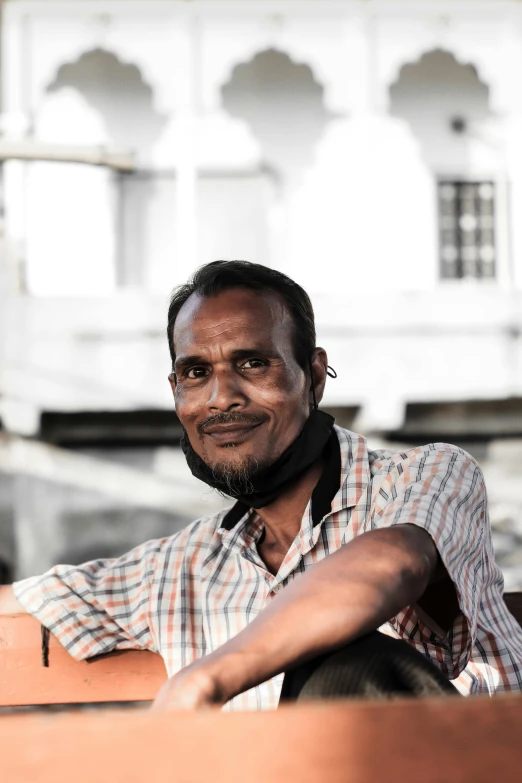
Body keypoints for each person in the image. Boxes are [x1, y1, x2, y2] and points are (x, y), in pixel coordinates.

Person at [1, 260, 521, 710]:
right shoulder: (180, 566)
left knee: (345, 664)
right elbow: (36, 600)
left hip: (461, 764)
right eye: (196, 372)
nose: (221, 396)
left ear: (314, 376)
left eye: (252, 364)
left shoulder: (426, 475)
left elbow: (394, 563)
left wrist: (206, 678)